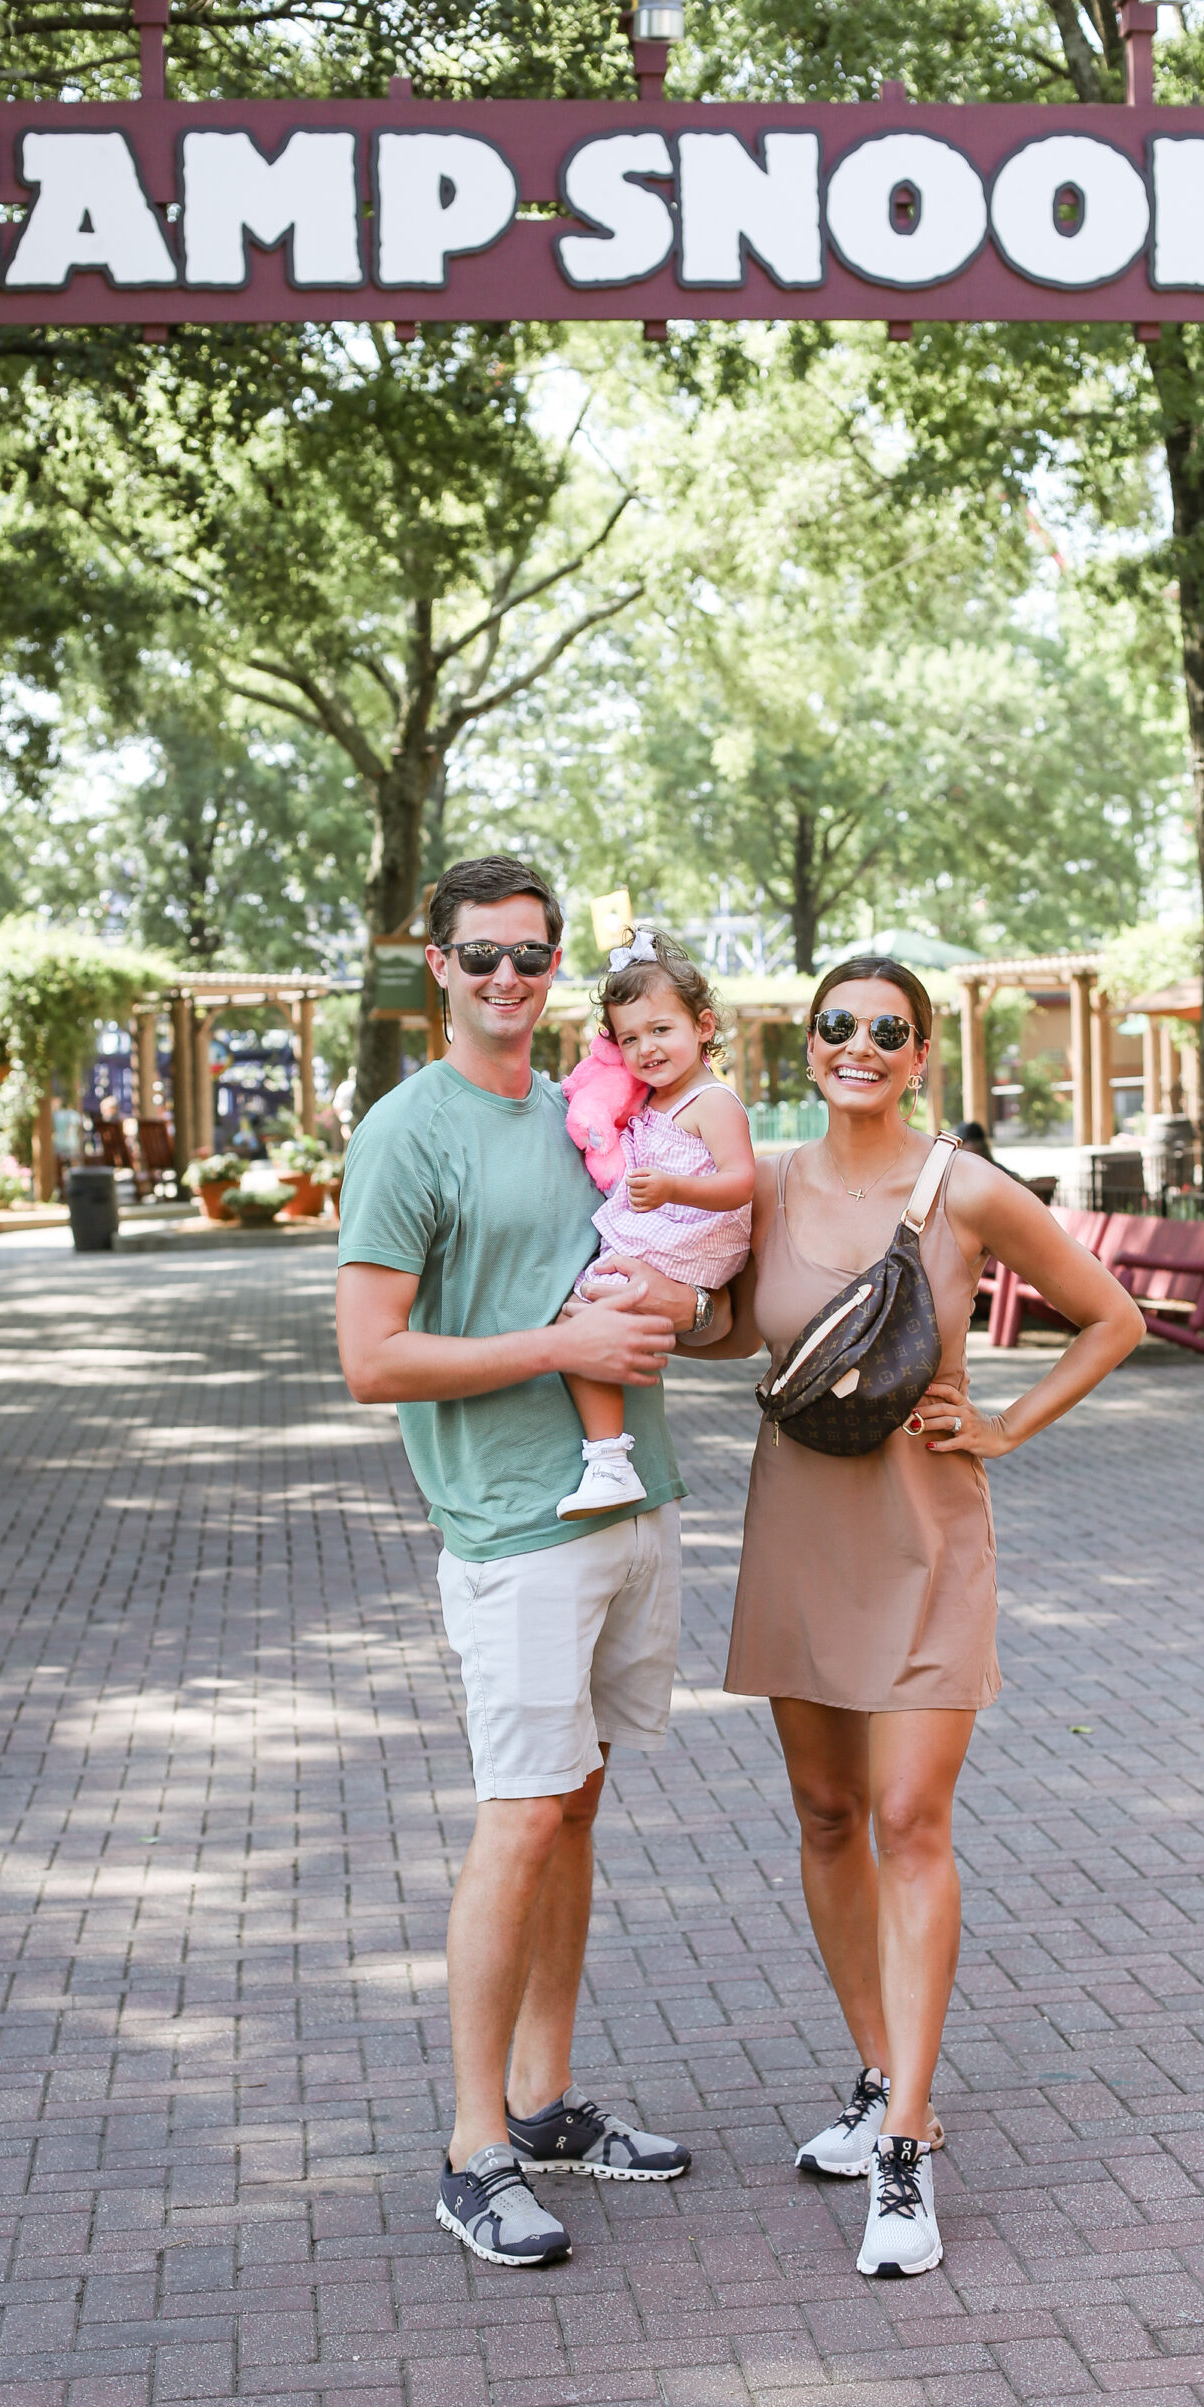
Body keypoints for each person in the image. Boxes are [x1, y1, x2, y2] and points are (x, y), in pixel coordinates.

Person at [704, 956, 1144, 2279]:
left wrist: (1005, 1421)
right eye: (835, 1026)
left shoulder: (963, 1191)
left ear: (918, 1058)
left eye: (884, 1032)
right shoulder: (766, 1182)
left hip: (921, 1543)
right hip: (795, 1531)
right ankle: (878, 2072)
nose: (856, 1045)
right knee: (826, 1816)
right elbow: (726, 1325)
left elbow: (1109, 1318)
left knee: (906, 1817)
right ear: (808, 1049)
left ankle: (902, 2150)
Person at [334, 855, 729, 2270]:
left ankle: (547, 2104)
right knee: (516, 1817)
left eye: (529, 954)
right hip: (511, 1526)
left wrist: (683, 1302)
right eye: (480, 955)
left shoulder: (590, 1105)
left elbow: (677, 1240)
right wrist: (558, 1348)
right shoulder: (407, 1131)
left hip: (633, 1503)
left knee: (574, 1811)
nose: (507, 976)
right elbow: (370, 1359)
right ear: (436, 966)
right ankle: (469, 2146)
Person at [557, 930, 755, 1518]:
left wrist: (673, 1187)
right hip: (664, 1235)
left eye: (661, 1030)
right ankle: (608, 1454)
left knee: (580, 1323)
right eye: (630, 1038)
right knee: (584, 1318)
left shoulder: (713, 1103)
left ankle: (610, 1462)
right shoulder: (652, 1101)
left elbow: (741, 1181)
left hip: (692, 1238)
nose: (646, 1048)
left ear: (703, 1026)